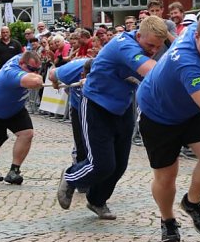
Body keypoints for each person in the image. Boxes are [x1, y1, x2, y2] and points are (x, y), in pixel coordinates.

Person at [136, 11, 200, 242]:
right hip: (158, 115)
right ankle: (168, 220)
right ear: (198, 36)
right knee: (166, 175)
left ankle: (191, 202)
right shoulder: (187, 61)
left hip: (191, 110)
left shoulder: (199, 26)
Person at [57, 16, 169, 220]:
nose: (153, 50)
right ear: (138, 35)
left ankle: (97, 200)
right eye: (150, 45)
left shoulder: (147, 44)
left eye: (158, 46)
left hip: (122, 108)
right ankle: (70, 177)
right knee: (102, 164)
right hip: (95, 106)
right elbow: (151, 70)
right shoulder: (124, 45)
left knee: (119, 165)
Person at [0, 51, 44, 184]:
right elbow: (34, 82)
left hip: (15, 107)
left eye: (37, 69)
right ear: (21, 64)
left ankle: (14, 171)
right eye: (31, 69)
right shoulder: (11, 73)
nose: (35, 72)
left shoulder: (22, 58)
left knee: (27, 134)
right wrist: (39, 77)